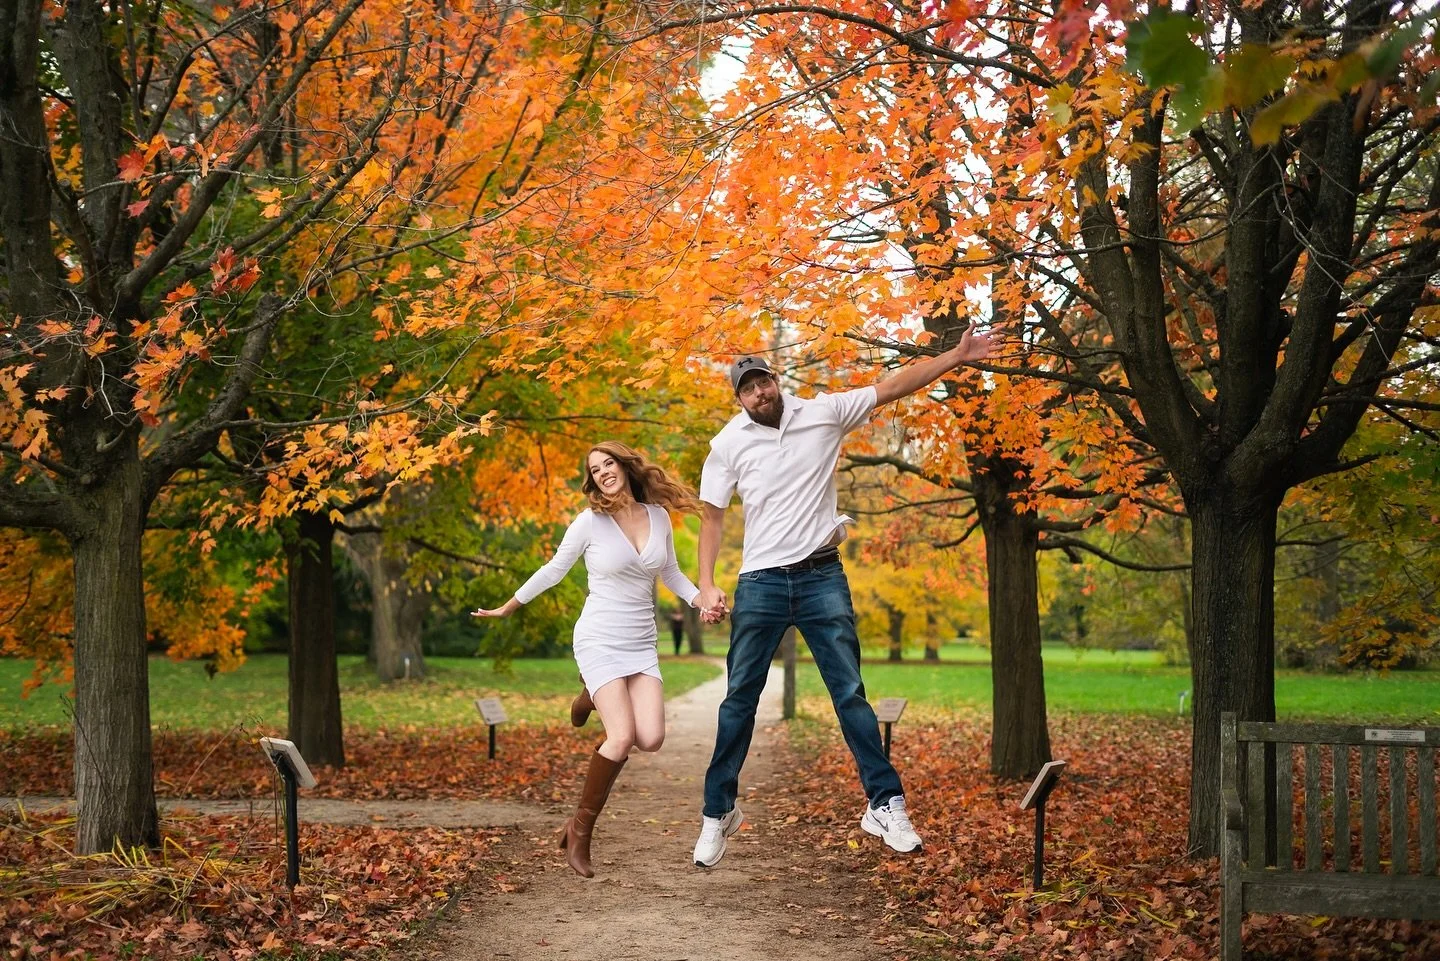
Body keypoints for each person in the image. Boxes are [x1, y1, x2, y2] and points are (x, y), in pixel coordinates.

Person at [691, 330, 993, 867]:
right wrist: (707, 582)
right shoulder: (726, 444)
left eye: (763, 381)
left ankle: (884, 804)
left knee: (849, 692)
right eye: (747, 389)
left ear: (775, 381)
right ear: (738, 398)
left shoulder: (824, 412)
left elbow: (894, 385)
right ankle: (718, 812)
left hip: (821, 577)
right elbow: (711, 518)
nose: (758, 393)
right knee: (740, 698)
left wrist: (957, 356)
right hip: (759, 581)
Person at [472, 441, 705, 878]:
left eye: (608, 464)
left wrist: (700, 601)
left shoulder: (659, 517)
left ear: (624, 465)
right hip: (599, 637)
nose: (603, 473)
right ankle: (580, 831)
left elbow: (670, 571)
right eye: (595, 470)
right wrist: (510, 605)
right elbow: (555, 569)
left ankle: (591, 694)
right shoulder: (590, 522)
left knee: (650, 738)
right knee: (619, 738)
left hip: (640, 643)